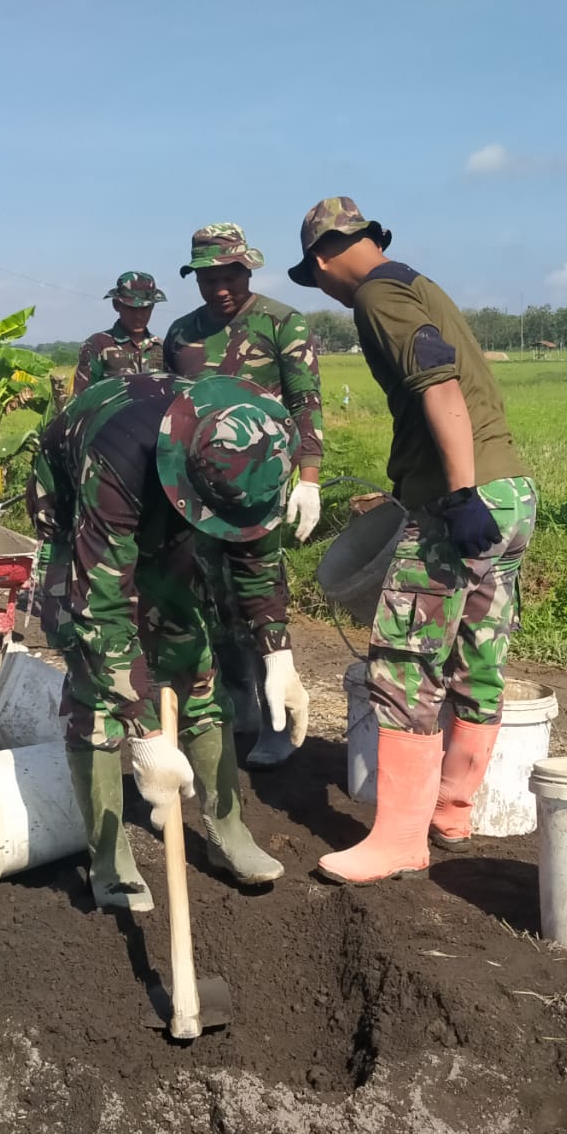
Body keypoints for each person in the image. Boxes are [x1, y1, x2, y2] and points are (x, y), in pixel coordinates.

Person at [288, 196, 537, 883]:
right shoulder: (418, 282)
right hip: (512, 493)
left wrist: (455, 493)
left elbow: (439, 386)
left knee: (403, 661)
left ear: (321, 260)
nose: (329, 294)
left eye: (318, 282)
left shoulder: (374, 295)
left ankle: (399, 839)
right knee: (477, 653)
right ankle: (452, 810)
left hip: (461, 498)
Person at [26, 372, 309, 912]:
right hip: (76, 513)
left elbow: (256, 559)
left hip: (175, 510)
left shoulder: (260, 452)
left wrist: (278, 654)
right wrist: (148, 733)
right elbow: (103, 609)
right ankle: (108, 855)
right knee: (96, 686)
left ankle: (228, 829)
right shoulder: (117, 454)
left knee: (194, 659)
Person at [164, 223, 325, 766]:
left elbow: (306, 404)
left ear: (248, 269)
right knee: (213, 597)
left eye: (230, 274)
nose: (220, 287)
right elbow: (171, 415)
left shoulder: (282, 324)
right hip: (196, 493)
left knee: (261, 593)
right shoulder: (182, 334)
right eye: (209, 278)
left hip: (260, 488)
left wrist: (309, 478)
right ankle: (240, 708)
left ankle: (278, 717)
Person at [73, 271, 167, 394]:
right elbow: (81, 399)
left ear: (153, 307)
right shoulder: (97, 344)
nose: (138, 315)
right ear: (116, 305)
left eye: (145, 308)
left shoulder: (161, 348)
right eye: (131, 308)